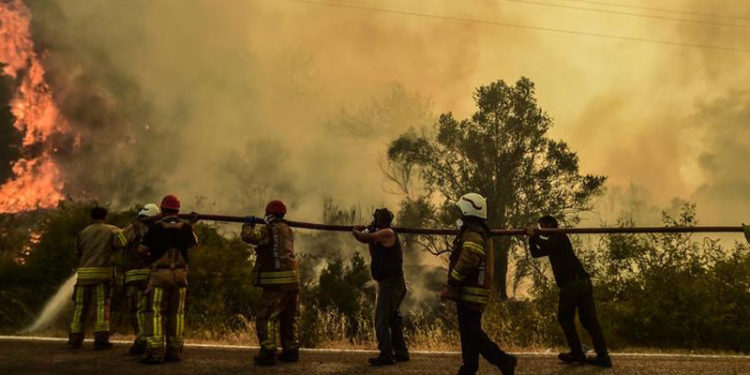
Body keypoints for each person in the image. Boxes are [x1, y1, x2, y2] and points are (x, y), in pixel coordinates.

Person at [440, 193, 517, 375]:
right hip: (470, 291)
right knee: (468, 331)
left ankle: (504, 360)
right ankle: (469, 367)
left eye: (461, 211)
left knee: (472, 332)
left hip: (471, 292)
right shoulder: (476, 231)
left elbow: (468, 261)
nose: (459, 216)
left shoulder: (473, 234)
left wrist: (451, 283)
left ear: (468, 211)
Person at [525, 215, 611, 367]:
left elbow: (546, 247)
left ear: (550, 225)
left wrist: (534, 236)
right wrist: (532, 238)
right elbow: (536, 253)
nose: (541, 230)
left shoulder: (558, 235)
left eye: (542, 226)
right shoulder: (554, 240)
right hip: (581, 283)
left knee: (566, 318)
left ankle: (579, 353)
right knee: (588, 320)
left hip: (572, 284)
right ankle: (601, 356)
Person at [139, 195, 198, 364]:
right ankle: (175, 351)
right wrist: (192, 225)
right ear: (178, 211)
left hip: (160, 276)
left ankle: (156, 352)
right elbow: (194, 243)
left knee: (155, 312)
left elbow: (141, 250)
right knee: (177, 314)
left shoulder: (155, 228)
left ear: (163, 210)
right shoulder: (185, 228)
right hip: (180, 276)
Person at [241, 199, 300, 366]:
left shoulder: (270, 229)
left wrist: (248, 225)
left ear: (269, 214)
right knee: (289, 317)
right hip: (293, 281)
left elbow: (248, 237)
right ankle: (291, 350)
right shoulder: (287, 229)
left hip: (277, 282)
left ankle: (268, 352)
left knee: (265, 317)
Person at [352, 208, 409, 366]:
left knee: (381, 319)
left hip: (392, 284)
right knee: (393, 318)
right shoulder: (382, 235)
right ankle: (401, 352)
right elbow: (372, 249)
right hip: (392, 283)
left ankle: (386, 354)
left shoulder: (387, 233)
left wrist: (355, 230)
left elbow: (364, 238)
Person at [69, 206, 128, 349]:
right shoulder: (112, 230)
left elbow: (77, 252)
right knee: (102, 305)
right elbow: (123, 243)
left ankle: (75, 338)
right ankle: (101, 339)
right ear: (105, 216)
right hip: (102, 275)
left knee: (80, 307)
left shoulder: (82, 233)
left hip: (83, 275)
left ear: (91, 216)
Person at [120, 203, 160, 355]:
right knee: (149, 309)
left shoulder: (134, 227)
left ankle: (141, 339)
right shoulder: (157, 228)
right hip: (151, 274)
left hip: (133, 274)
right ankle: (149, 339)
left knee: (135, 310)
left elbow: (119, 242)